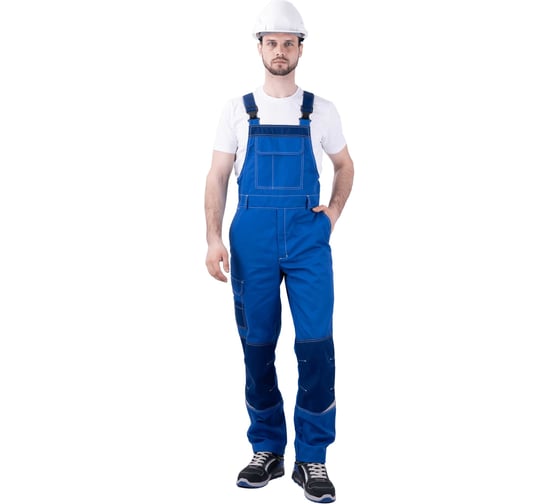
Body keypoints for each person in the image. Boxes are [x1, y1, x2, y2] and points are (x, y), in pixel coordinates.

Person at [204, 1, 354, 502]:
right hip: (252, 240)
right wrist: (212, 237)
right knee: (258, 345)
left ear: (300, 49)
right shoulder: (237, 109)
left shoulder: (321, 110)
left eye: (289, 43)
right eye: (272, 43)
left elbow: (345, 165)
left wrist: (332, 213)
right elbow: (217, 176)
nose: (280, 51)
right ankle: (266, 449)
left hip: (308, 239)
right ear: (260, 48)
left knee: (316, 348)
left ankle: (312, 458)